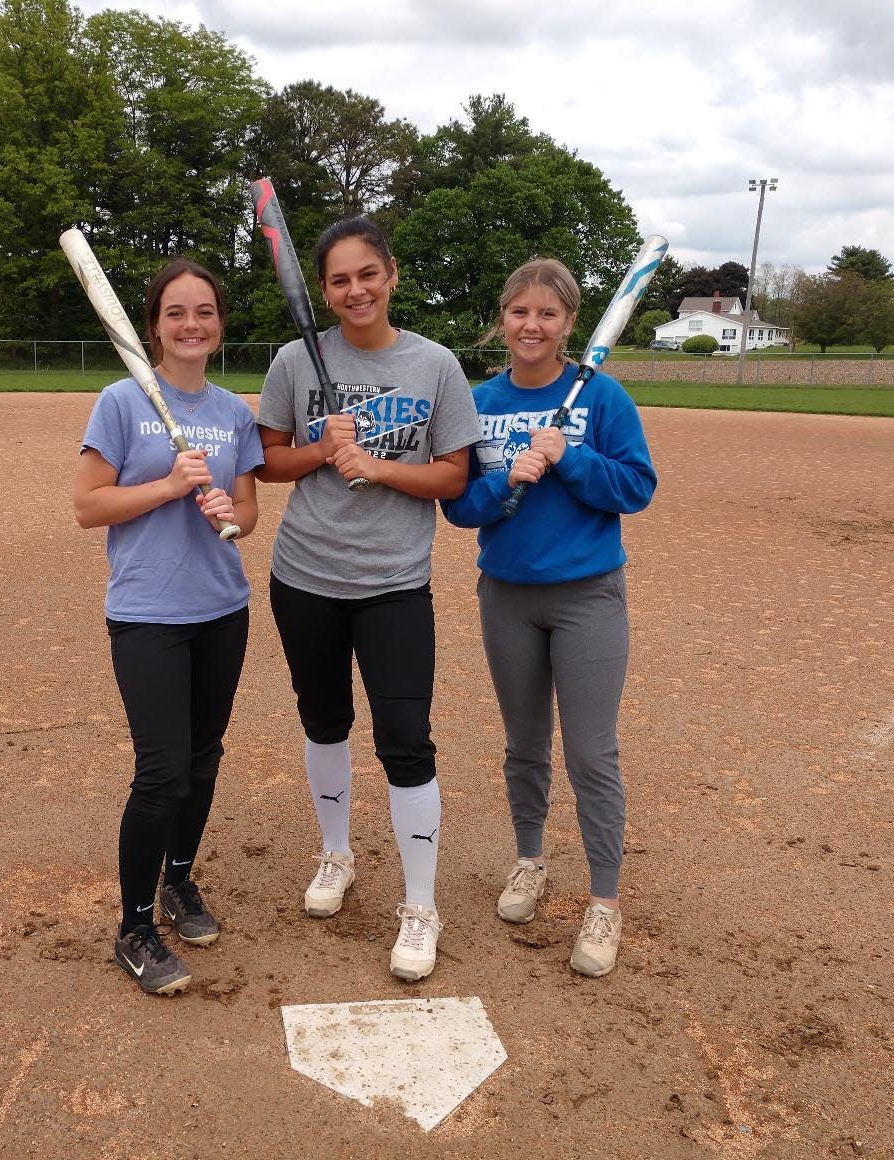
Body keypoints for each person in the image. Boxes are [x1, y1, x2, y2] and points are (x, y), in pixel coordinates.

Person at [256, 216, 480, 981]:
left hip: (393, 583)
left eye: (367, 274)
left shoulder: (435, 365)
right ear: (323, 288)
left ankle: (421, 904)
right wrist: (323, 449)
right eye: (339, 279)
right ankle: (335, 855)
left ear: (391, 274)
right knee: (323, 721)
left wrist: (378, 468)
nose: (355, 290)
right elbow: (269, 464)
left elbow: (454, 477)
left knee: (406, 739)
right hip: (306, 576)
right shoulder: (295, 359)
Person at [441, 258, 656, 978]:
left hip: (587, 595)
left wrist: (572, 459)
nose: (532, 326)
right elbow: (461, 507)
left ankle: (604, 900)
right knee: (524, 744)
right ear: (502, 318)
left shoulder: (602, 397)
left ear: (569, 323)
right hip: (506, 595)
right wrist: (508, 479)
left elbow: (635, 488)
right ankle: (529, 861)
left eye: (548, 314)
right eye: (519, 312)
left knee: (592, 752)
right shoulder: (478, 401)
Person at [73, 258, 263, 994]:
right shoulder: (121, 402)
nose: (192, 325)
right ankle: (134, 926)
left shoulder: (232, 413)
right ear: (153, 325)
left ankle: (180, 881)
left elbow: (245, 514)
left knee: (204, 758)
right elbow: (89, 507)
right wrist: (168, 486)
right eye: (177, 312)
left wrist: (226, 514)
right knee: (160, 771)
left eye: (205, 312)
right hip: (148, 612)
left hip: (221, 607)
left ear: (219, 324)